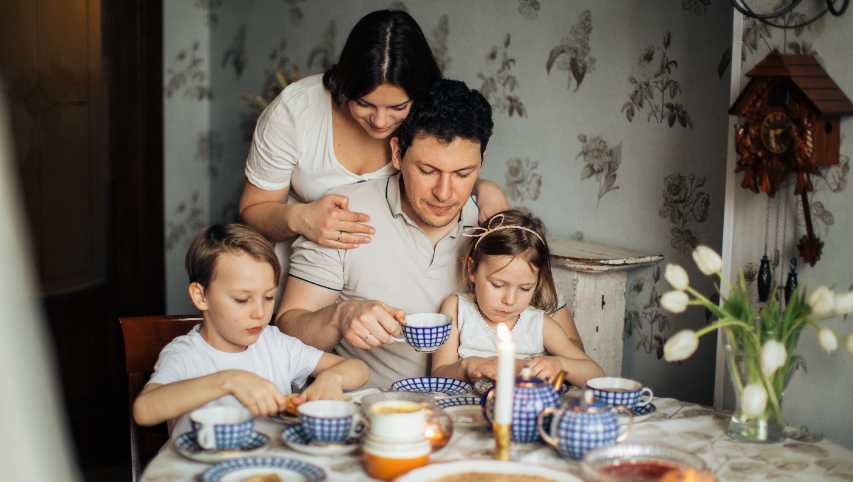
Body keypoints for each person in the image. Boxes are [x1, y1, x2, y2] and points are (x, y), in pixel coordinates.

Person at [276, 79, 585, 389]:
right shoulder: (345, 213)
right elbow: (288, 330)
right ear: (397, 153)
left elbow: (572, 350)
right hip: (377, 410)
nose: (445, 193)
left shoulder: (497, 228)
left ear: (482, 160)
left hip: (479, 415)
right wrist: (340, 316)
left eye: (464, 174)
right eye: (427, 170)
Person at [238, 10, 509, 287]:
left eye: (398, 107)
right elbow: (252, 209)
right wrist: (299, 217)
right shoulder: (297, 111)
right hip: (293, 283)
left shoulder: (421, 119)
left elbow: (442, 165)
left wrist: (481, 186)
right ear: (344, 85)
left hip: (377, 284)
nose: (380, 122)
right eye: (364, 103)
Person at [132, 224, 369, 440]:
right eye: (242, 299)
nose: (259, 312)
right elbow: (144, 411)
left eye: (268, 297)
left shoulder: (275, 344)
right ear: (201, 296)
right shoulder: (187, 355)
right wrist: (228, 381)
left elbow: (358, 369)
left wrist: (332, 378)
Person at [431, 210, 604, 388]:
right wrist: (465, 366)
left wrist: (561, 365)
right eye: (498, 285)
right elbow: (438, 374)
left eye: (524, 288)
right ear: (472, 270)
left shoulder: (538, 325)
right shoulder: (457, 309)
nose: (510, 300)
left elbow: (596, 376)